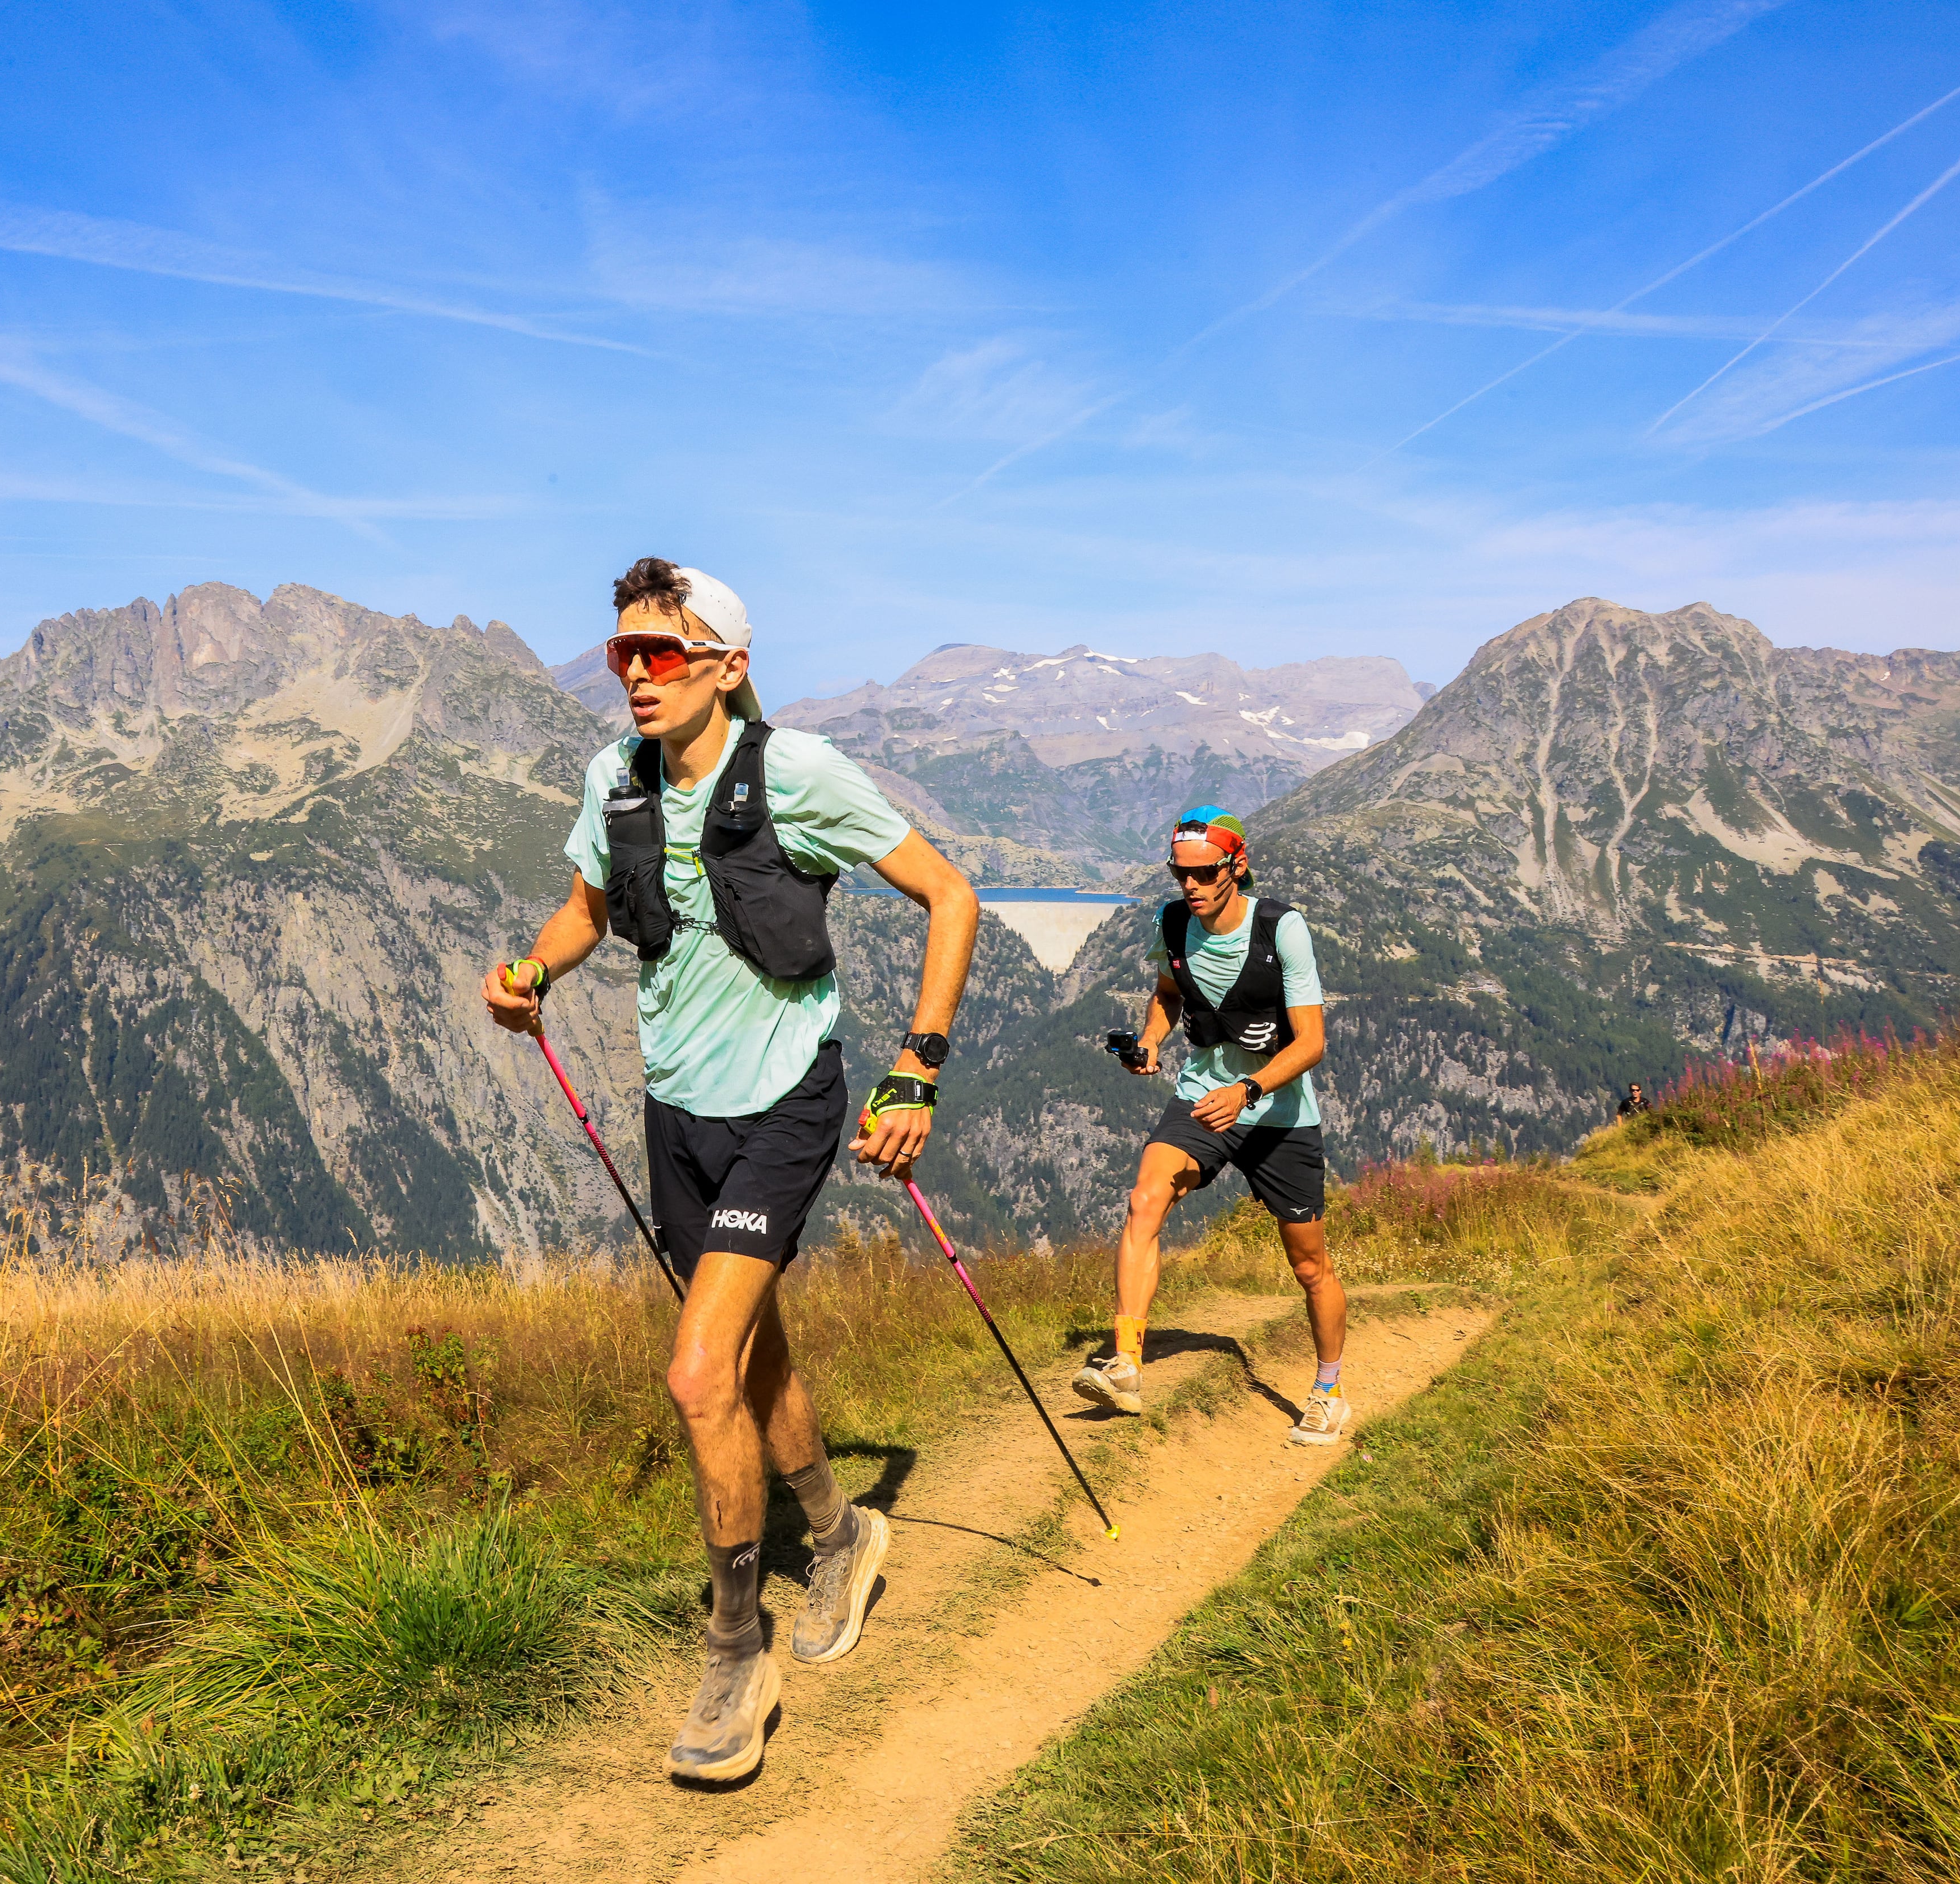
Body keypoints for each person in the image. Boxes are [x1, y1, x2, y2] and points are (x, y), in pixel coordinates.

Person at [483, 557, 979, 1783]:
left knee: (697, 1365)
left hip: (786, 1105)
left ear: (728, 664)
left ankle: (732, 1648)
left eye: (663, 653)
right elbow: (587, 910)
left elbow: (950, 893)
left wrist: (916, 1067)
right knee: (750, 1350)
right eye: (621, 656)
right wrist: (532, 973)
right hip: (677, 1114)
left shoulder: (797, 773)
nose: (638, 677)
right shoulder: (615, 780)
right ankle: (840, 1531)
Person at [1073, 807, 1348, 1445]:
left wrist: (1248, 1088)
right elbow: (1169, 992)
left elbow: (1311, 1043)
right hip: (1201, 1099)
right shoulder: (1171, 922)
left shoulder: (1282, 928)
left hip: (1278, 1112)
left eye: (1203, 873)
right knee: (1145, 1198)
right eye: (1179, 874)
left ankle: (1328, 1390)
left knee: (1309, 1267)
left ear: (1236, 867)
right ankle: (1126, 1364)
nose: (1189, 887)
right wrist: (1148, 1042)